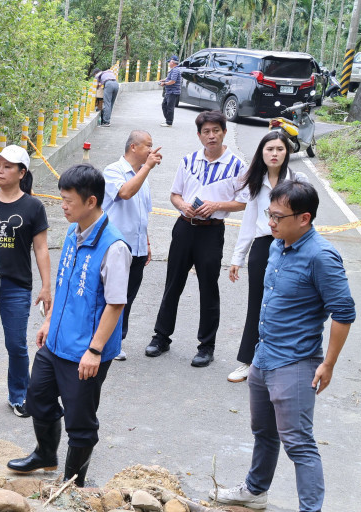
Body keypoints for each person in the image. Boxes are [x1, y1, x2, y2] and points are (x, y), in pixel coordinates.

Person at [211, 181, 355, 512]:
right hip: (264, 356)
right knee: (263, 431)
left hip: (297, 362)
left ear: (304, 218)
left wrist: (329, 363)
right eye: (268, 214)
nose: (271, 222)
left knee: (299, 441)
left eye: (278, 216)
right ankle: (255, 491)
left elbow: (344, 313)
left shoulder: (321, 256)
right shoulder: (278, 246)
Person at [7, 165, 131, 487]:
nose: (62, 205)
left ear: (91, 201)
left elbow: (116, 304)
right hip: (57, 342)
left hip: (85, 352)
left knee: (81, 422)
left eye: (67, 200)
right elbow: (63, 285)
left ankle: (73, 484)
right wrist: (49, 321)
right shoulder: (72, 232)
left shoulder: (114, 247)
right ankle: (45, 455)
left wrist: (94, 350)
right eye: (61, 198)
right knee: (38, 399)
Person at [145, 110, 246, 367]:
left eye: (216, 131)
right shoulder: (188, 161)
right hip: (184, 227)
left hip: (212, 231)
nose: (211, 136)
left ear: (224, 132)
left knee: (208, 288)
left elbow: (242, 203)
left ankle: (206, 346)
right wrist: (183, 206)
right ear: (199, 135)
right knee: (173, 283)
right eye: (206, 132)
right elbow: (175, 195)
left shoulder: (237, 165)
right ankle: (161, 337)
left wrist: (216, 205)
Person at [0, 144, 51, 416]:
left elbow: (41, 248)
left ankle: (19, 395)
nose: (0, 171)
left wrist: (46, 286)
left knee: (16, 344)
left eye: (7, 166)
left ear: (21, 172)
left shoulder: (33, 207)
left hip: (16, 286)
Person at [226, 131, 308, 383]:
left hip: (292, 247)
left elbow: (307, 221)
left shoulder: (298, 180)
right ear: (262, 152)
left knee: (288, 304)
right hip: (263, 248)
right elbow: (249, 222)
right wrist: (237, 258)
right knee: (258, 304)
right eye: (269, 149)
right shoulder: (255, 181)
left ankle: (283, 362)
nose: (274, 153)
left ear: (287, 153)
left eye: (280, 149)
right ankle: (248, 362)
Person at [103, 130, 162, 359]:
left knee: (127, 297)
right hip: (117, 247)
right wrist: (146, 168)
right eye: (148, 145)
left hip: (136, 248)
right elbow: (125, 193)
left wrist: (146, 242)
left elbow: (142, 214)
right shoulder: (113, 171)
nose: (152, 150)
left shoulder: (141, 176)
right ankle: (105, 341)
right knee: (112, 296)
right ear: (133, 147)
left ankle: (117, 340)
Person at [160, 56, 181, 127]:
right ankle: (168, 120)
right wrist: (164, 80)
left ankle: (169, 122)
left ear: (173, 62)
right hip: (169, 91)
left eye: (169, 62)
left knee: (170, 107)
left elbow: (173, 81)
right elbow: (169, 78)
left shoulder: (175, 70)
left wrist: (165, 83)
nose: (169, 63)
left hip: (173, 92)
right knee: (164, 105)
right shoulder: (173, 70)